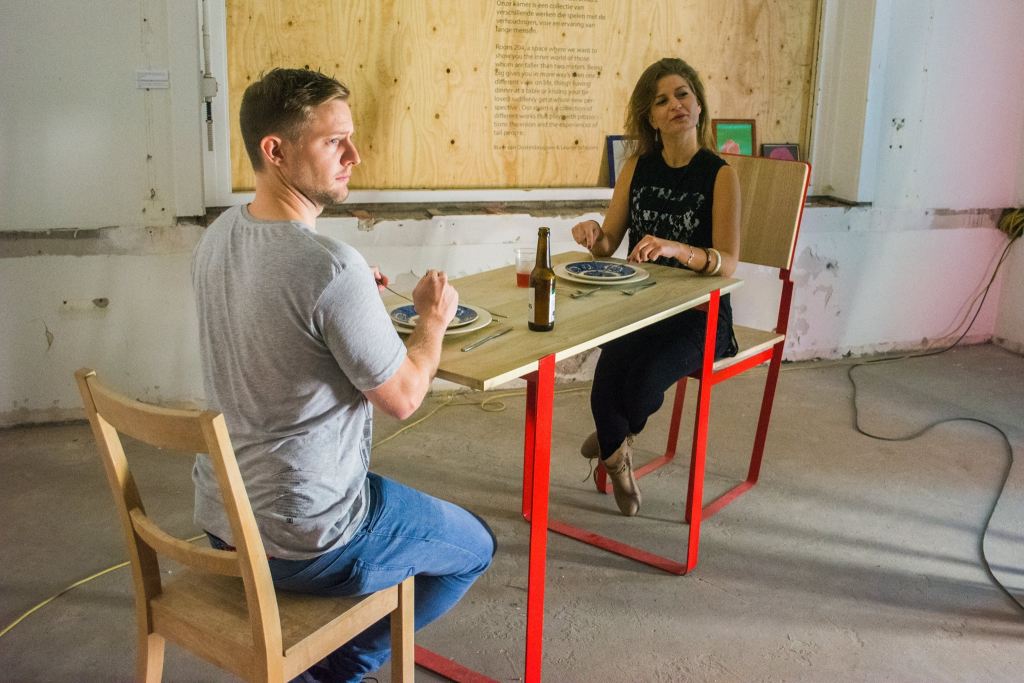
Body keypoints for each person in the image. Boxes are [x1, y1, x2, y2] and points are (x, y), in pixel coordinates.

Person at [191, 68, 495, 683]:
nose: (354, 156)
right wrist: (432, 322)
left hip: (223, 520)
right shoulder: (330, 267)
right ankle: (337, 672)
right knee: (475, 549)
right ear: (275, 151)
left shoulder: (219, 234)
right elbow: (404, 397)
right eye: (334, 142)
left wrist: (354, 300)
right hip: (307, 536)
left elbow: (281, 327)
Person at [570, 58, 741, 517]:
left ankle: (611, 439)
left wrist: (678, 249)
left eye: (683, 94)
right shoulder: (637, 168)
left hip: (701, 315)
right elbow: (608, 244)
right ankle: (616, 455)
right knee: (607, 377)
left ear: (698, 105)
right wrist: (591, 234)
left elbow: (728, 263)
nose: (675, 105)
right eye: (662, 100)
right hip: (641, 306)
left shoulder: (719, 174)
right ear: (651, 117)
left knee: (643, 380)